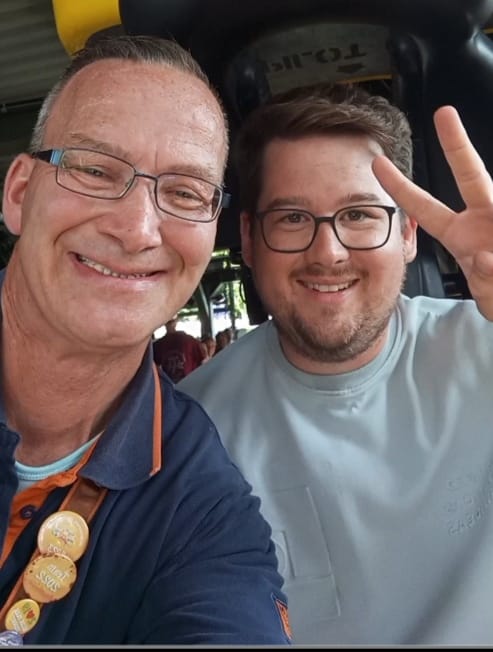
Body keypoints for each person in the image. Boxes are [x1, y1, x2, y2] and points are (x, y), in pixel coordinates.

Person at [0, 34, 291, 646]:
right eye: (96, 169)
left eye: (185, 192)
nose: (137, 230)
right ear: (21, 194)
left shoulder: (199, 498)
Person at [179, 81, 493, 645]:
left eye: (360, 214)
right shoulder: (191, 431)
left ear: (408, 233)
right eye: (293, 218)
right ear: (249, 240)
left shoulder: (486, 348)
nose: (329, 253)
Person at [153, 314, 205, 381]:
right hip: (185, 384)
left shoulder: (159, 344)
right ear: (176, 322)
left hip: (173, 385)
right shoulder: (191, 341)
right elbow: (203, 362)